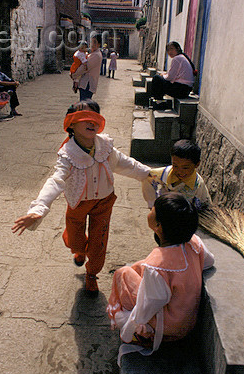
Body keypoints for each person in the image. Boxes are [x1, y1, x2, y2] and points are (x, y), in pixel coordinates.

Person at [12, 100, 152, 296]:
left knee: (99, 242)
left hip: (104, 202)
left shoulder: (105, 146)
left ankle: (92, 275)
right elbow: (56, 181)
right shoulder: (68, 154)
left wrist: (148, 173)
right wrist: (38, 209)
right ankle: (77, 247)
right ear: (71, 124)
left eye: (95, 117)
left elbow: (124, 163)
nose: (91, 122)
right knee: (76, 242)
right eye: (84, 118)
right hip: (77, 203)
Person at [106, 192, 215, 362]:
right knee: (140, 266)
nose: (149, 210)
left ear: (158, 226)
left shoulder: (158, 266)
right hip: (187, 321)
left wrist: (133, 326)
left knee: (123, 274)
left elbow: (147, 307)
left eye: (153, 210)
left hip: (169, 329)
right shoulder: (194, 242)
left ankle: (145, 336)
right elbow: (209, 262)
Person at [142, 139, 212, 210]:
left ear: (197, 164)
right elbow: (151, 204)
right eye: (175, 166)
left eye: (185, 168)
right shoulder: (156, 176)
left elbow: (204, 208)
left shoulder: (198, 185)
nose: (179, 171)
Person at [149, 41, 196, 106]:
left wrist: (162, 76)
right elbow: (173, 74)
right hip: (186, 90)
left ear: (178, 48)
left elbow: (169, 78)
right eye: (168, 50)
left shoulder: (177, 58)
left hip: (181, 90)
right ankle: (159, 101)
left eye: (172, 49)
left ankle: (158, 102)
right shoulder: (182, 57)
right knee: (160, 79)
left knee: (156, 78)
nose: (169, 52)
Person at [71, 34, 102, 101]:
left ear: (99, 44)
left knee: (84, 104)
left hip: (88, 84)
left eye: (95, 42)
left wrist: (73, 75)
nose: (92, 44)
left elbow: (84, 68)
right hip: (85, 83)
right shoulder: (91, 54)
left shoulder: (96, 55)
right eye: (91, 42)